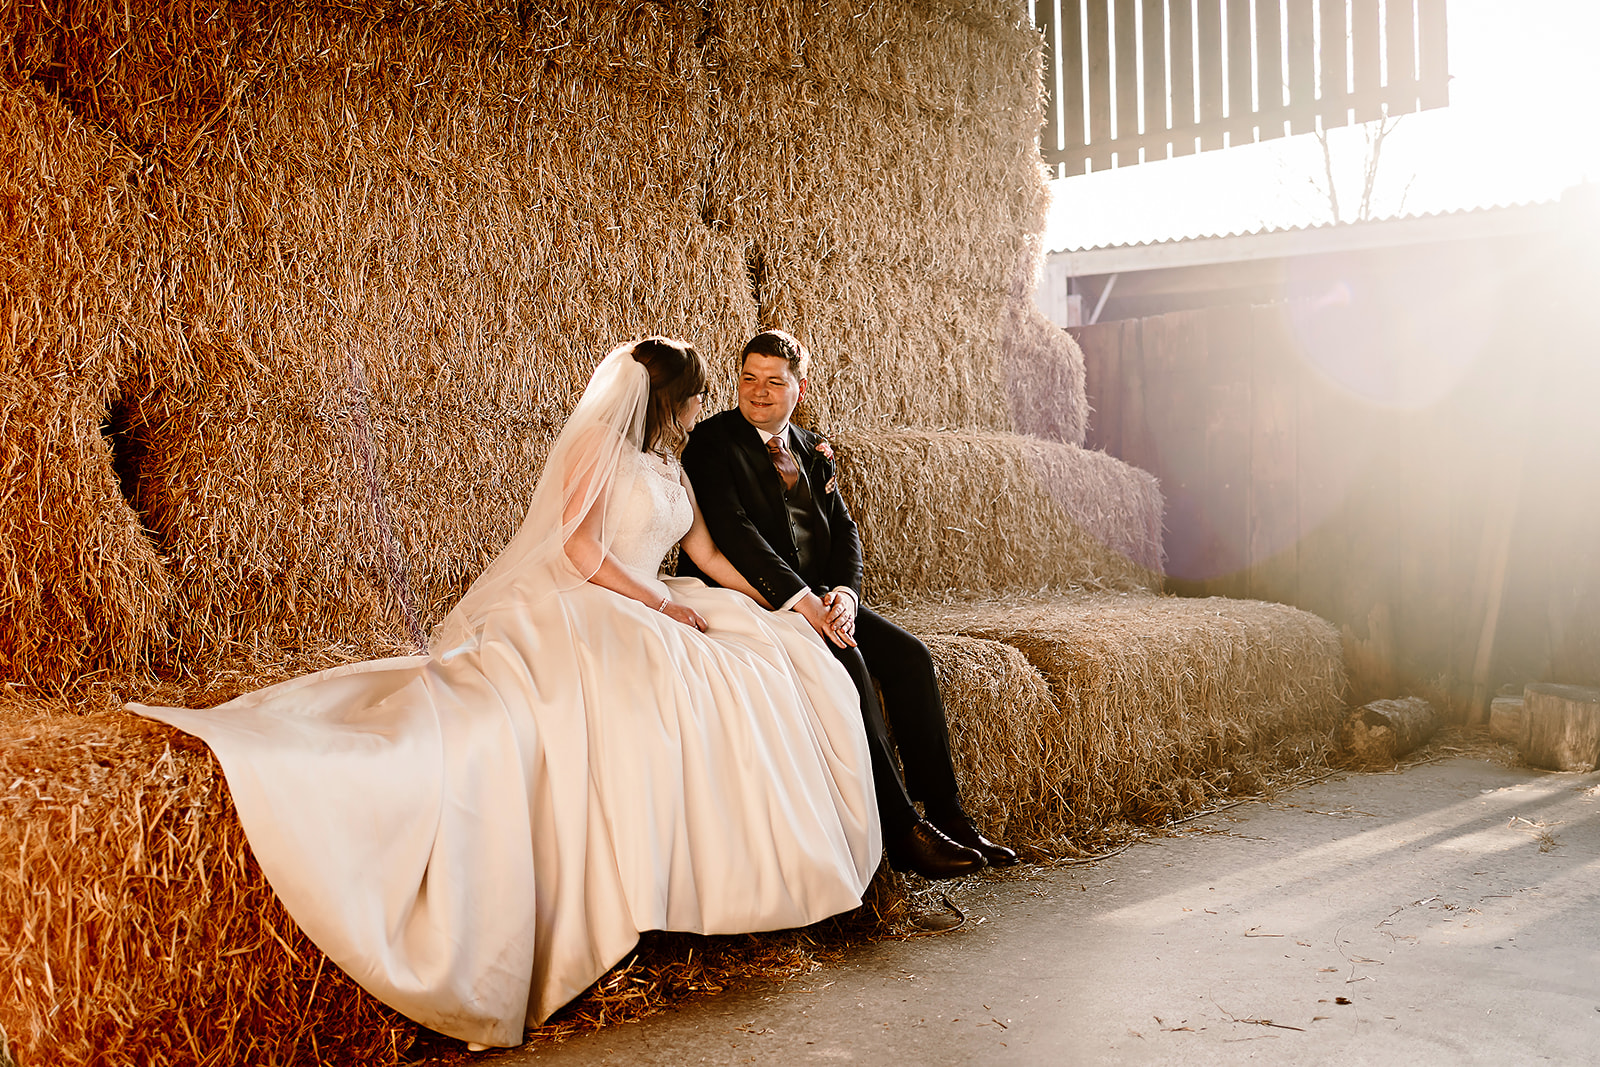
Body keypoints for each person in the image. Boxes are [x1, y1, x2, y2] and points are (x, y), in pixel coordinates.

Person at [129, 338, 881, 1050]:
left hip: (659, 592)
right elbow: (580, 549)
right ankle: (637, 890)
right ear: (667, 398)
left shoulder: (669, 465)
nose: (701, 408)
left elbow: (707, 553)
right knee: (652, 684)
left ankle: (730, 884)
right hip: (601, 597)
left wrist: (792, 602)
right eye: (694, 397)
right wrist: (657, 606)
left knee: (762, 658)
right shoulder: (599, 451)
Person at [679, 329, 1018, 879]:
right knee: (852, 665)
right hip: (753, 598)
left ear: (800, 387)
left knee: (911, 659)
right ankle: (902, 830)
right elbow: (737, 534)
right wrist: (803, 601)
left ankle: (951, 817)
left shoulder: (813, 447)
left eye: (773, 381)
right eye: (747, 378)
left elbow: (844, 529)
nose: (757, 392)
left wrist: (845, 592)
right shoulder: (712, 443)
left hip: (823, 597)